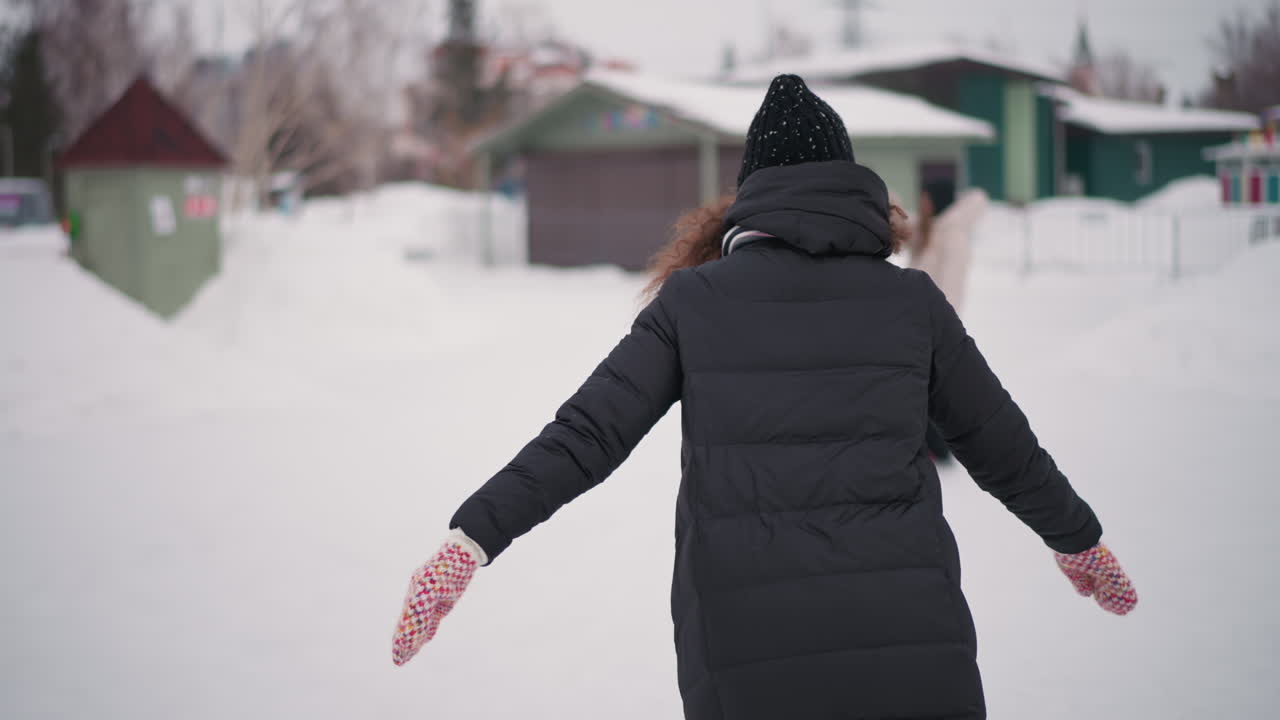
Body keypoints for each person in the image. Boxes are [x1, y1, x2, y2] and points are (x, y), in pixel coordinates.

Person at [390, 75, 1137, 720]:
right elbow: (1003, 445)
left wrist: (470, 541)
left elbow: (587, 434)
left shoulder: (693, 302)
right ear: (852, 186)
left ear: (750, 196)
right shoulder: (912, 301)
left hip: (750, 658)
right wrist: (1078, 538)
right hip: (916, 644)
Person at [908, 182, 991, 462]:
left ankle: (940, 448)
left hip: (934, 327)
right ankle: (932, 445)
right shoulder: (930, 230)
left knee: (931, 388)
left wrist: (939, 327)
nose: (922, 205)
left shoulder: (953, 236)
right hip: (915, 324)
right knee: (920, 387)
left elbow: (953, 288)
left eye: (925, 199)